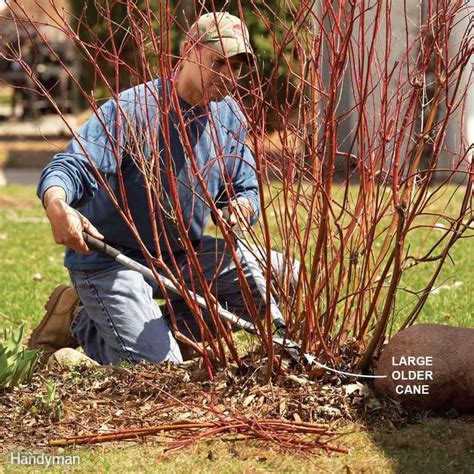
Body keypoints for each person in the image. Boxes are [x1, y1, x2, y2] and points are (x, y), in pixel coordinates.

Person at [28, 12, 294, 366]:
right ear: (188, 51)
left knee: (281, 274)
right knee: (162, 370)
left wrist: (242, 205)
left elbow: (242, 185)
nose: (229, 77)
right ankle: (83, 325)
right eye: (220, 62)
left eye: (238, 67)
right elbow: (71, 166)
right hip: (113, 260)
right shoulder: (135, 110)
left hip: (182, 257)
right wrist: (57, 205)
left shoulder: (230, 116)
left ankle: (153, 333)